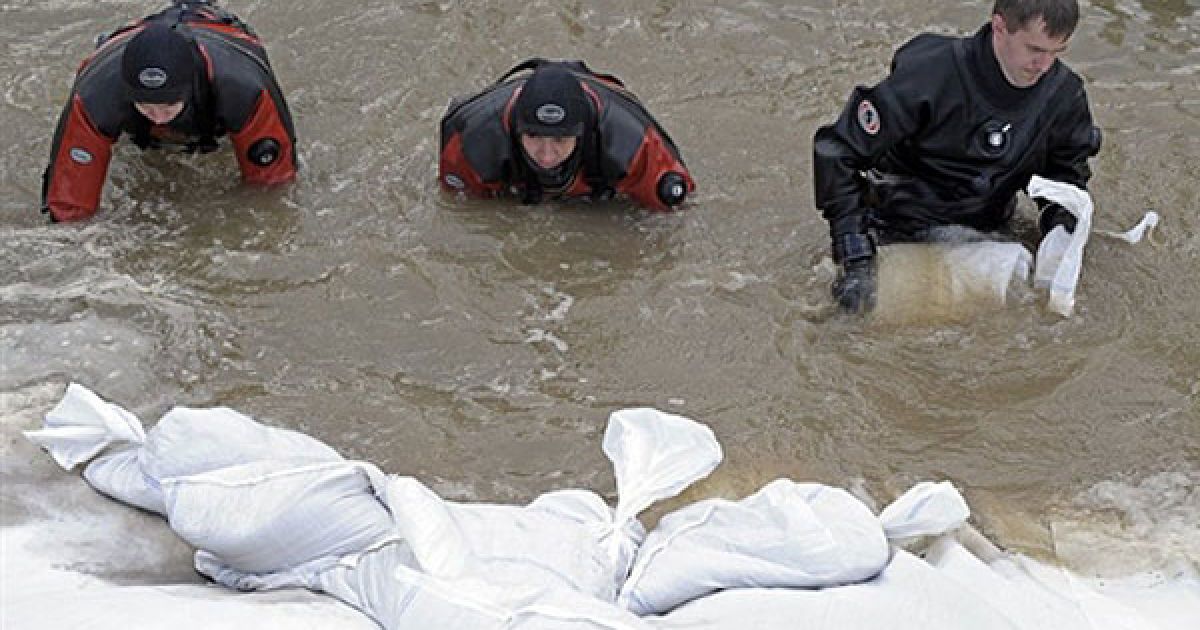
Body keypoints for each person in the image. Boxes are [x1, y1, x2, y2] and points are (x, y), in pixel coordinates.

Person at [812, 0, 1102, 313]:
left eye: (1057, 52)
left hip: (987, 229)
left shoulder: (1063, 96)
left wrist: (1060, 231)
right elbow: (837, 152)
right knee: (848, 317)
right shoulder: (930, 75)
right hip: (896, 223)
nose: (1044, 65)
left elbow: (1065, 174)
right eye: (1034, 49)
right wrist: (853, 253)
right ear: (1000, 27)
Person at [40, 1, 297, 223]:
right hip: (124, 41)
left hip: (221, 35)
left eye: (167, 106)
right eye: (146, 106)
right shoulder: (96, 98)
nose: (158, 117)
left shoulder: (245, 91)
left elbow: (273, 186)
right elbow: (68, 208)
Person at [439, 58, 695, 212]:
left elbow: (675, 214)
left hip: (607, 100)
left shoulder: (633, 143)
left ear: (582, 135)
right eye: (534, 137)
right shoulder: (472, 141)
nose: (547, 155)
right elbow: (461, 210)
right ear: (515, 131)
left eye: (560, 140)